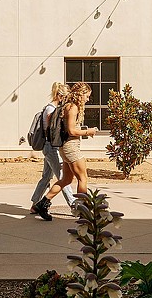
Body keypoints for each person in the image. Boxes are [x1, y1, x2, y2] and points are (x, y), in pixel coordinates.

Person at [31, 82, 99, 221]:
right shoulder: (73, 108)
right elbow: (71, 130)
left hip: (65, 148)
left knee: (66, 179)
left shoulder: (67, 106)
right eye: (87, 96)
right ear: (80, 94)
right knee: (82, 178)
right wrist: (89, 131)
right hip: (71, 148)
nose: (87, 99)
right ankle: (83, 211)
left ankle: (42, 204)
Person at [29, 83, 76, 214]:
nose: (66, 100)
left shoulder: (51, 108)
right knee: (63, 177)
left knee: (46, 177)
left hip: (50, 147)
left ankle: (35, 204)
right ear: (60, 96)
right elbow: (53, 130)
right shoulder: (51, 110)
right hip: (51, 147)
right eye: (65, 97)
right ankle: (74, 205)